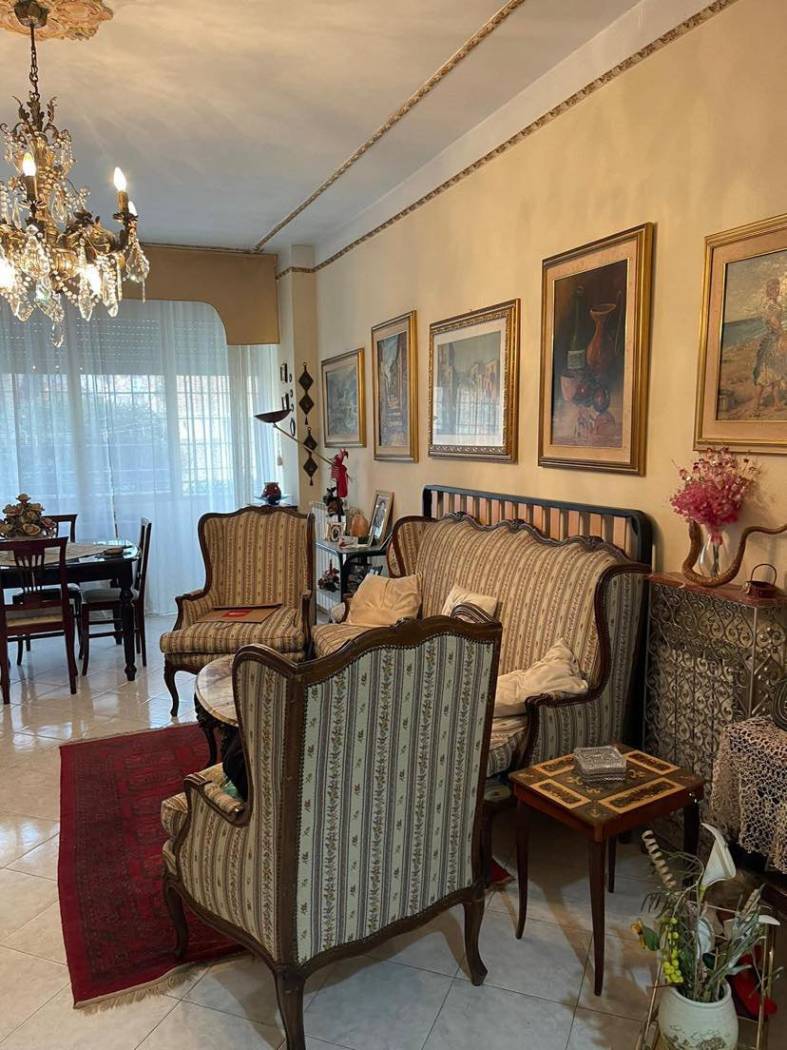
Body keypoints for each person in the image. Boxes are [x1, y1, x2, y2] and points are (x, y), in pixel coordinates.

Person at [753, 276, 786, 413]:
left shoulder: (775, 303)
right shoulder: (770, 305)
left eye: (778, 288)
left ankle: (777, 403)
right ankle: (755, 407)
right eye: (773, 288)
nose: (777, 290)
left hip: (775, 339)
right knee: (764, 376)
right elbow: (774, 322)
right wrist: (783, 335)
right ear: (769, 290)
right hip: (772, 342)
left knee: (776, 374)